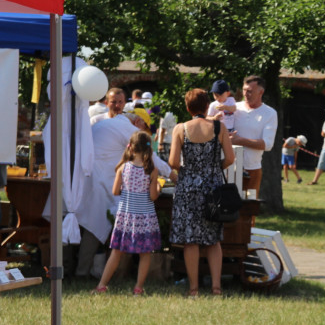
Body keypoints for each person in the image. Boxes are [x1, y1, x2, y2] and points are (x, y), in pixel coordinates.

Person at [75, 108, 173, 280]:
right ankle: (82, 273)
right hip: (100, 184)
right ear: (137, 122)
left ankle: (78, 270)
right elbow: (154, 160)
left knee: (83, 226)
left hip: (87, 180)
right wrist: (173, 176)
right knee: (94, 227)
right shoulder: (128, 128)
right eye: (143, 128)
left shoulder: (104, 124)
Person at [169, 88, 236, 297]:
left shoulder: (180, 129)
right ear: (207, 106)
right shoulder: (219, 127)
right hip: (213, 187)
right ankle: (216, 288)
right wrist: (214, 169)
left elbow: (172, 162)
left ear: (188, 108)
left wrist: (190, 171)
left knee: (191, 240)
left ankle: (193, 288)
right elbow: (231, 158)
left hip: (188, 187)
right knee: (213, 239)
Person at [92, 131, 162, 296]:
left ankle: (102, 285)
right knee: (145, 254)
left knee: (117, 252)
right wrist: (157, 186)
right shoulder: (152, 170)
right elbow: (153, 196)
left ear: (130, 148)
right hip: (145, 216)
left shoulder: (123, 167)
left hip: (126, 215)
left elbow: (115, 191)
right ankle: (138, 288)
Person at [230, 75, 277, 195]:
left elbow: (267, 145)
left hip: (252, 170)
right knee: (227, 210)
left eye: (250, 91)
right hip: (229, 167)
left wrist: (239, 140)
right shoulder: (234, 108)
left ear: (261, 92)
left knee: (248, 210)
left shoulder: (270, 113)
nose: (246, 94)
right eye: (244, 90)